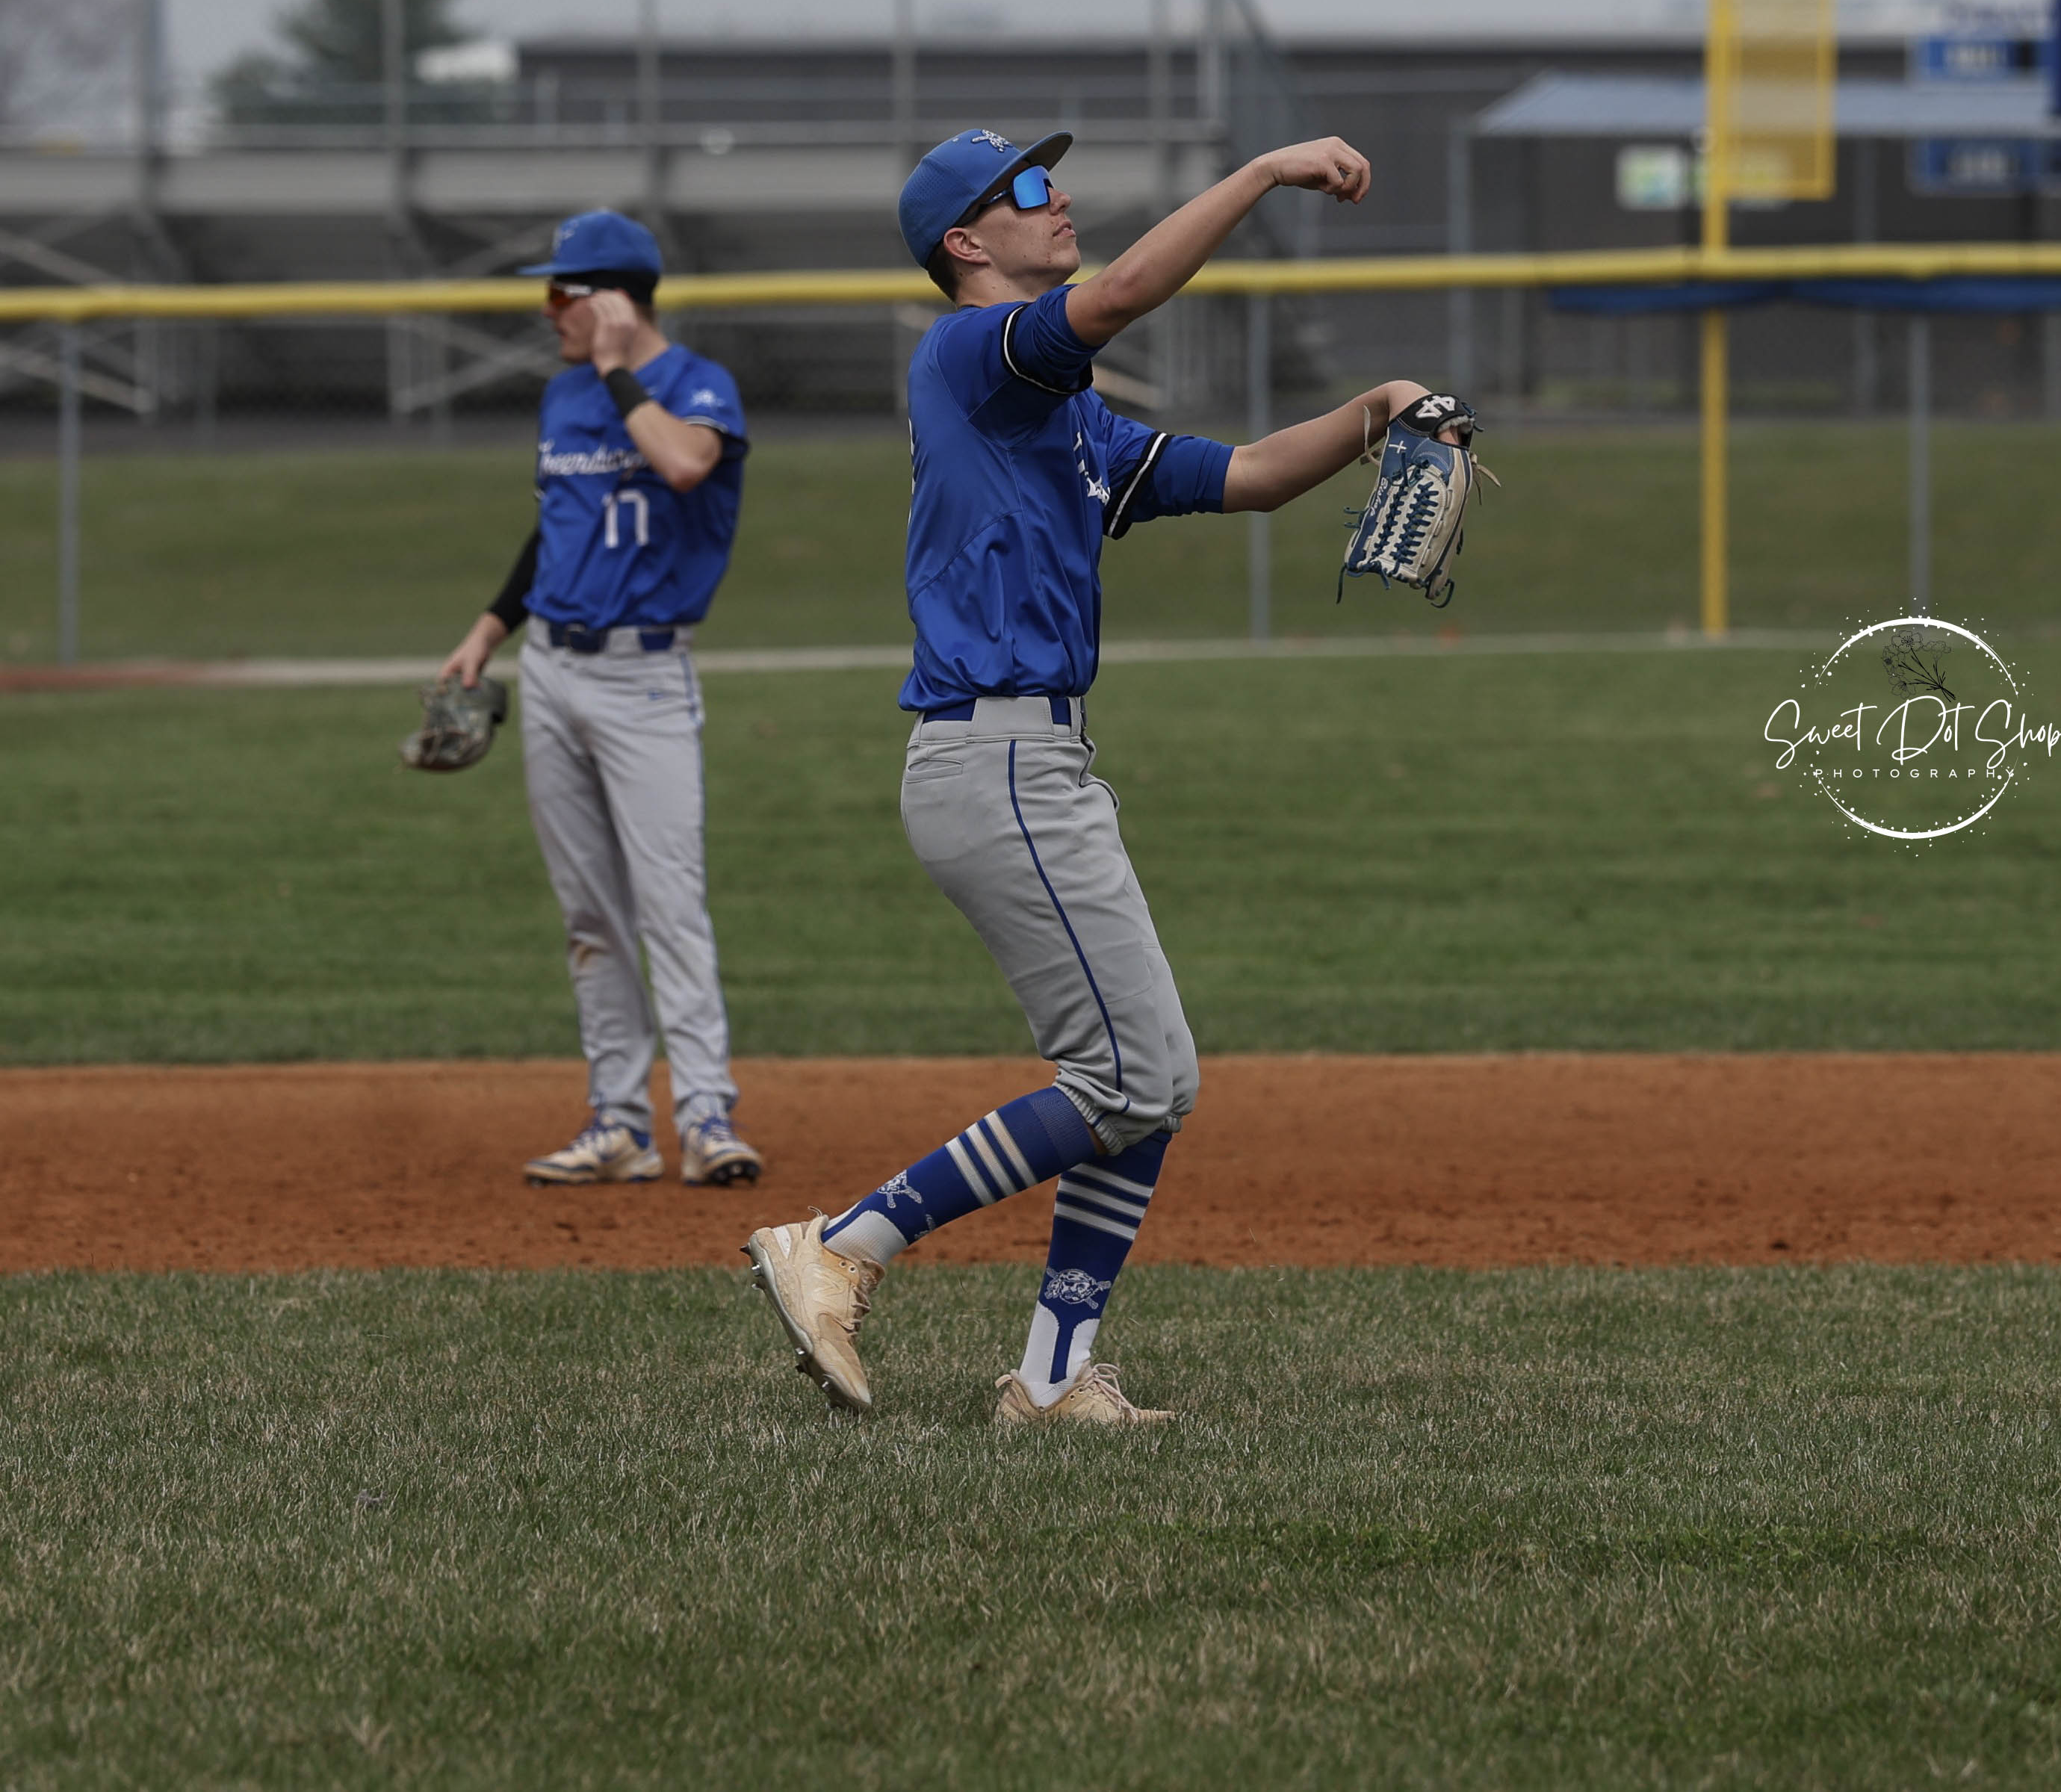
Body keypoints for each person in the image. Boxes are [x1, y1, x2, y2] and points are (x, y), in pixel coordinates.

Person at [743, 127, 1451, 1424]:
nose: (1057, 193)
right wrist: (1263, 174)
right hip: (995, 755)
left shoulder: (1063, 414)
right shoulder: (973, 354)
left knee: (1153, 1078)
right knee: (1127, 1079)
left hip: (1035, 758)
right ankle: (842, 1244)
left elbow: (1246, 478)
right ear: (966, 242)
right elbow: (1120, 295)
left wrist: (1376, 412)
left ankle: (1056, 1377)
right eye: (1027, 185)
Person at [438, 208, 764, 1189]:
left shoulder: (697, 385)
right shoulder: (563, 397)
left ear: (615, 300)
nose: (548, 311)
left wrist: (622, 371)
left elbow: (684, 463)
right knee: (590, 913)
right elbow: (559, 529)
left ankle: (706, 1116)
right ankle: (620, 1123)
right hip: (553, 670)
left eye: (562, 292)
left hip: (645, 678)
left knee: (670, 904)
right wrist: (489, 630)